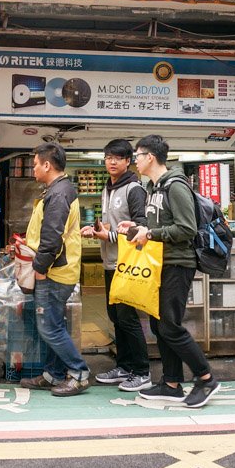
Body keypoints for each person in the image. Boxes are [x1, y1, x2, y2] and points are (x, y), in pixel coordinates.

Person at [118, 135, 220, 408]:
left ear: (150, 157)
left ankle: (206, 378)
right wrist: (137, 228)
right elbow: (158, 227)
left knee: (170, 326)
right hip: (160, 265)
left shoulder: (175, 186)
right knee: (157, 325)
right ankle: (172, 383)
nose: (135, 161)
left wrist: (150, 232)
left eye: (137, 156)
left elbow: (186, 229)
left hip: (178, 264)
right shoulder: (154, 187)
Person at [19, 142, 90, 397]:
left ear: (47, 165)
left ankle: (79, 374)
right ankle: (53, 374)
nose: (34, 168)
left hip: (54, 272)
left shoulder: (59, 194)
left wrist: (40, 267)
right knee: (54, 324)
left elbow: (51, 238)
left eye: (36, 164)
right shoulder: (58, 190)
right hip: (57, 270)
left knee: (49, 327)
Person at [82, 139, 150, 392]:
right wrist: (97, 230)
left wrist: (108, 237)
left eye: (117, 158)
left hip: (129, 265)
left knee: (127, 318)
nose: (111, 162)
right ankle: (125, 366)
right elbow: (113, 225)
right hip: (110, 262)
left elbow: (140, 228)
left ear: (128, 161)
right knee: (116, 317)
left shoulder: (134, 189)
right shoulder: (107, 188)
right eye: (108, 157)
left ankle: (142, 371)